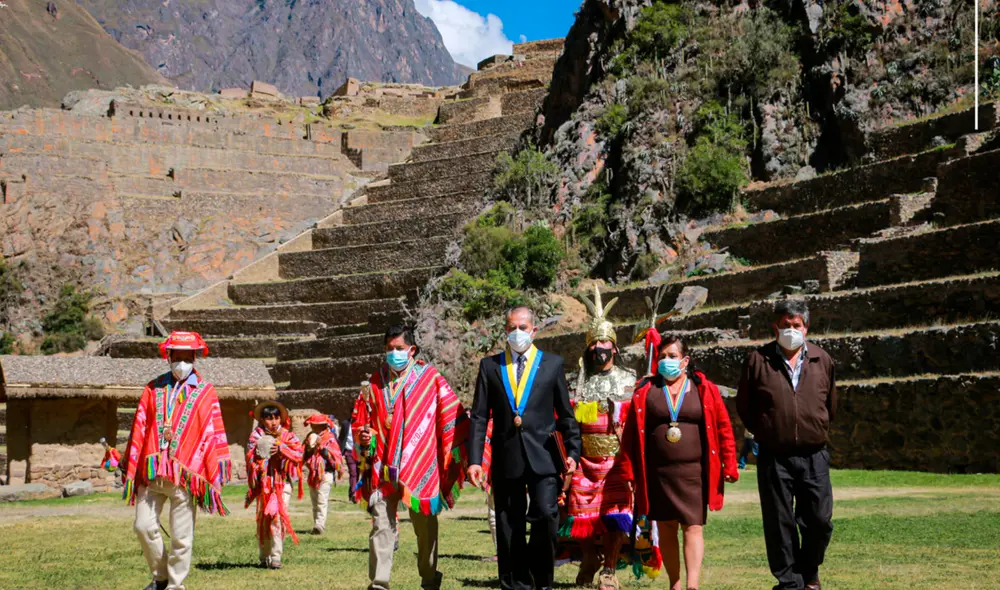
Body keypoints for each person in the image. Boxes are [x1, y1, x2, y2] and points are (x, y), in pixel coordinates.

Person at [468, 306, 581, 590]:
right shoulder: (490, 366)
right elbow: (480, 416)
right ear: (505, 331)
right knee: (509, 525)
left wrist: (573, 452)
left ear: (533, 330)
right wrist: (474, 460)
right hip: (507, 456)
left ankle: (541, 580)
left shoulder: (552, 364)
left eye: (522, 327)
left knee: (545, 515)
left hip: (544, 455)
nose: (516, 333)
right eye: (511, 328)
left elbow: (566, 414)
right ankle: (514, 583)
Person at [351, 324, 469, 590]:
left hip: (421, 465)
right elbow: (362, 421)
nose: (394, 353)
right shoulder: (374, 381)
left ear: (411, 349)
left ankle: (429, 576)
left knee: (425, 528)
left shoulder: (429, 378)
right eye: (390, 349)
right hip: (383, 466)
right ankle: (379, 583)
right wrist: (365, 436)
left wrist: (456, 448)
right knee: (381, 523)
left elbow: (451, 411)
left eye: (400, 349)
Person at [618, 334, 739, 590]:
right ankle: (675, 583)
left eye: (672, 356)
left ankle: (692, 585)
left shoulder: (704, 388)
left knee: (693, 526)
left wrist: (729, 464)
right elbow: (630, 436)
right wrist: (629, 473)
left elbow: (723, 427)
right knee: (667, 527)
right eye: (662, 356)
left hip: (694, 473)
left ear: (685, 360)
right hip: (658, 474)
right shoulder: (646, 390)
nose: (665, 361)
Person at [736, 300, 836, 590]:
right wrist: (768, 430)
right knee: (780, 523)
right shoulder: (758, 360)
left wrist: (813, 428)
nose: (791, 330)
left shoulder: (822, 360)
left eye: (797, 326)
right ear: (775, 327)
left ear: (806, 328)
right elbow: (745, 405)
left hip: (814, 453)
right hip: (774, 456)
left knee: (819, 520)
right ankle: (790, 583)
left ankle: (809, 570)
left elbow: (831, 405)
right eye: (786, 325)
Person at [121, 331, 232, 590]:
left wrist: (212, 466)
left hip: (185, 475)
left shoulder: (205, 392)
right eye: (177, 357)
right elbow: (140, 426)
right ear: (168, 356)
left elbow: (212, 432)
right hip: (151, 472)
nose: (182, 363)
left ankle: (175, 584)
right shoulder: (152, 388)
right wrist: (134, 460)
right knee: (143, 526)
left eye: (187, 357)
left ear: (195, 358)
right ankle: (160, 575)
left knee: (182, 537)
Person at [561, 286, 636, 590]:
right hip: (584, 458)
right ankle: (589, 559)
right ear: (590, 348)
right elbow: (572, 421)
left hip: (615, 459)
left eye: (606, 341)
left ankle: (609, 568)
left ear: (614, 347)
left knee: (614, 516)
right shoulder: (580, 382)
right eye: (596, 342)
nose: (601, 347)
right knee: (581, 516)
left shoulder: (629, 379)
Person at [245, 401, 304, 570]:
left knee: (278, 518)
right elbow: (250, 459)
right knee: (264, 520)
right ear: (262, 420)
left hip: (283, 483)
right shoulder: (255, 437)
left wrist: (282, 449)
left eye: (277, 418)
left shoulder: (289, 436)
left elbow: (299, 454)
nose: (274, 422)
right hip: (264, 485)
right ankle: (264, 556)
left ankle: (276, 556)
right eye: (269, 418)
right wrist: (260, 460)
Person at [303, 413, 344, 534]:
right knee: (315, 501)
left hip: (325, 473)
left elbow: (336, 456)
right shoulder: (309, 437)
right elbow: (304, 455)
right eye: (312, 425)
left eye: (315, 425)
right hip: (313, 474)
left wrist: (322, 449)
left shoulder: (330, 438)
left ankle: (320, 525)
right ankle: (316, 524)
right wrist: (309, 448)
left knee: (322, 500)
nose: (312, 428)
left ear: (323, 426)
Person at [339, 417, 359, 503]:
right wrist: (339, 451)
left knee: (358, 473)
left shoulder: (362, 423)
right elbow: (341, 438)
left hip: (360, 452)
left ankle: (356, 493)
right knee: (353, 472)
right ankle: (353, 493)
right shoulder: (346, 424)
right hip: (349, 451)